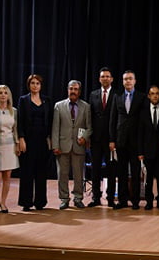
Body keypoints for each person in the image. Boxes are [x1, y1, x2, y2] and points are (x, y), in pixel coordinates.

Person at [51, 80, 92, 209]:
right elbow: (55, 128)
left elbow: (89, 127)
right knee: (62, 174)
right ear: (67, 90)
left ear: (79, 91)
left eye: (75, 89)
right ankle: (64, 199)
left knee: (79, 175)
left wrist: (84, 138)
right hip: (63, 146)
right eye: (71, 89)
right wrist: (55, 145)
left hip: (79, 146)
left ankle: (78, 198)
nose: (73, 91)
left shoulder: (86, 106)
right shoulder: (58, 106)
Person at [109, 70, 145, 209]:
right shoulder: (117, 97)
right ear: (123, 82)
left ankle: (135, 201)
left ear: (135, 81)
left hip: (136, 141)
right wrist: (112, 140)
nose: (128, 81)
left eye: (130, 79)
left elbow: (143, 122)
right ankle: (122, 200)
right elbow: (113, 120)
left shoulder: (141, 97)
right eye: (125, 79)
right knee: (122, 172)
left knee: (135, 172)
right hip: (121, 140)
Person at [16, 74, 53, 211]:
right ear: (29, 85)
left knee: (41, 172)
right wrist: (21, 138)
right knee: (27, 172)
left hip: (43, 141)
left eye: (37, 83)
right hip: (28, 140)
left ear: (41, 86)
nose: (35, 85)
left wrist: (50, 139)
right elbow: (19, 121)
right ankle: (26, 202)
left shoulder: (47, 101)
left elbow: (50, 121)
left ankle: (40, 202)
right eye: (32, 83)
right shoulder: (23, 100)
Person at [88, 68, 117, 207]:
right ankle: (95, 197)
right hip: (96, 139)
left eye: (107, 76)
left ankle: (110, 197)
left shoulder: (117, 95)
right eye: (102, 76)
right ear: (99, 79)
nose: (105, 78)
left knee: (111, 169)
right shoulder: (93, 94)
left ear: (111, 79)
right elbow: (90, 117)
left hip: (111, 139)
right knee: (95, 169)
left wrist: (114, 139)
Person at [0, 85, 20, 214]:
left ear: (8, 96)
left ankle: (3, 202)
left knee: (7, 176)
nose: (3, 95)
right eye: (0, 93)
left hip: (10, 146)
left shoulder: (13, 111)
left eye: (5, 93)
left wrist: (17, 144)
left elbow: (15, 130)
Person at [137, 85, 159, 210]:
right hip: (147, 151)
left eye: (157, 93)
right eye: (152, 93)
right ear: (148, 96)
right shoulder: (142, 113)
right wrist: (140, 152)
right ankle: (148, 201)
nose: (155, 96)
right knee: (148, 179)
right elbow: (140, 134)